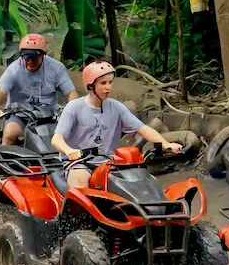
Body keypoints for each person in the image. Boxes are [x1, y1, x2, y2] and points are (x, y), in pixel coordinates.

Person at [51, 61, 182, 189]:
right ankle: (76, 212)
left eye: (110, 82)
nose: (108, 87)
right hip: (80, 163)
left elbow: (143, 129)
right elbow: (56, 139)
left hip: (110, 163)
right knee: (80, 184)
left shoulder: (116, 107)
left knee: (149, 183)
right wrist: (69, 151)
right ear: (90, 86)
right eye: (103, 83)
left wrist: (167, 144)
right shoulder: (74, 107)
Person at [0, 33, 79, 146]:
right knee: (10, 133)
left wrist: (72, 113)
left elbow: (71, 94)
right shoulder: (14, 69)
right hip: (20, 117)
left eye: (34, 57)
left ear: (43, 56)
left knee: (69, 136)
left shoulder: (57, 68)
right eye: (26, 57)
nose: (30, 61)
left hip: (49, 117)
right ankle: (4, 158)